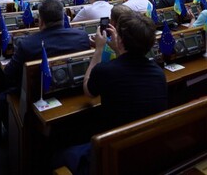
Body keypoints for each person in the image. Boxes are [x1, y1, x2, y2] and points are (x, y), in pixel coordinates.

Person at [58, 12, 167, 174]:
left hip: (113, 153)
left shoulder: (106, 70)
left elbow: (88, 91)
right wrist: (118, 47)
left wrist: (99, 49)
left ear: (121, 40)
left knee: (59, 155)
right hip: (148, 147)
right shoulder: (159, 73)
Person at [3, 0, 91, 87]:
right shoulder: (82, 36)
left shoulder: (26, 44)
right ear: (63, 17)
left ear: (40, 21)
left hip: (37, 94)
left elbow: (8, 74)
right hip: (77, 89)